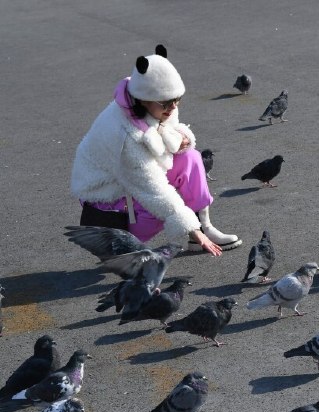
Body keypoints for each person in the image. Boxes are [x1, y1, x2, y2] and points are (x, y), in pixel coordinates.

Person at [70, 44, 241, 256]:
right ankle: (127, 251)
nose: (173, 108)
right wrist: (189, 227)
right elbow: (153, 190)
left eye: (177, 100)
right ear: (144, 98)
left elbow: (167, 129)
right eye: (166, 104)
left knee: (191, 158)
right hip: (108, 205)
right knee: (166, 205)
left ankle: (204, 225)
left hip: (130, 184)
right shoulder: (124, 135)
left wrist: (180, 138)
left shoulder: (152, 99)